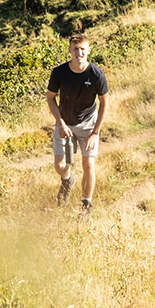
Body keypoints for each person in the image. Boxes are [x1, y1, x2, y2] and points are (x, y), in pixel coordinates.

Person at [47, 33, 108, 217]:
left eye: (82, 49)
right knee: (61, 164)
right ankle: (67, 180)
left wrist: (95, 132)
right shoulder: (59, 72)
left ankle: (86, 204)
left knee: (88, 164)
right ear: (69, 50)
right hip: (65, 124)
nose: (79, 53)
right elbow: (50, 98)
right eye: (75, 49)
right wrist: (61, 123)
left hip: (88, 125)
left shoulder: (96, 74)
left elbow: (104, 103)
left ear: (88, 51)